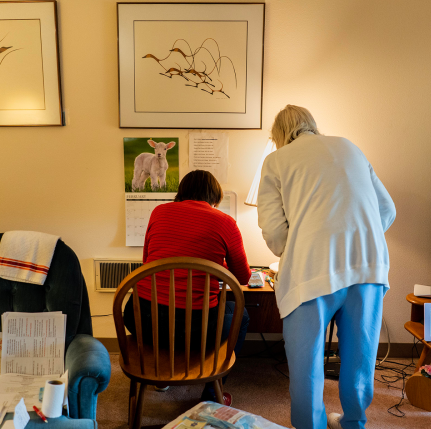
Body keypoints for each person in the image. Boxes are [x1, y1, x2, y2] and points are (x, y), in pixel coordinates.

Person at [257, 105, 396, 429]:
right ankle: (354, 423)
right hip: (368, 265)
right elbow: (386, 209)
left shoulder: (277, 160)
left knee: (307, 366)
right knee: (360, 361)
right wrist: (358, 236)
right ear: (312, 124)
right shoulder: (350, 147)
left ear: (278, 135)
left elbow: (276, 233)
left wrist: (300, 245)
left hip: (313, 268)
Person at [124, 169, 251, 405]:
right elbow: (242, 277)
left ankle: (161, 378)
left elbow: (148, 262)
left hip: (143, 319)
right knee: (240, 314)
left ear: (181, 192)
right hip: (195, 330)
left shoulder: (159, 212)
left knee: (165, 313)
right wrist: (216, 264)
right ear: (215, 196)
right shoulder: (225, 222)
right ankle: (213, 394)